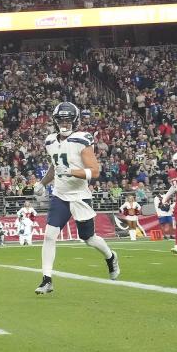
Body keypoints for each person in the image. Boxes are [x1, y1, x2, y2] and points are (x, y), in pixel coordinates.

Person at [33, 102, 119, 294]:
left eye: (68, 120)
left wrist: (71, 171)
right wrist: (42, 183)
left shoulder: (82, 139)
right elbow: (56, 166)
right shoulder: (50, 141)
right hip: (60, 195)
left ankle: (110, 256)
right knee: (49, 235)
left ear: (75, 120)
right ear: (55, 121)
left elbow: (95, 172)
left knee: (88, 238)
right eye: (61, 120)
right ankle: (47, 279)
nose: (65, 123)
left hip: (79, 195)